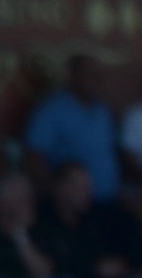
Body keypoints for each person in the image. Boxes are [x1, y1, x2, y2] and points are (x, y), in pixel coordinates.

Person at [25, 54, 121, 203]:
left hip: (106, 202)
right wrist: (53, 192)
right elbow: (34, 157)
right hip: (72, 207)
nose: (98, 79)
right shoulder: (51, 110)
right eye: (91, 75)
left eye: (99, 75)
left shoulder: (103, 111)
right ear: (73, 77)